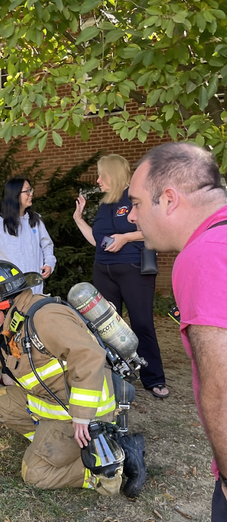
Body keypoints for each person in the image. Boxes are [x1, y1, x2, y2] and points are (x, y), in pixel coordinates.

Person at [129, 142, 227, 522]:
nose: (132, 216)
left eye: (137, 203)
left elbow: (220, 377)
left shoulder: (204, 256)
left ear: (171, 197)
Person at [0, 260, 147, 498]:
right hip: (55, 405)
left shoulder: (45, 318)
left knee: (34, 473)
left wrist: (82, 415)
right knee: (0, 402)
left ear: (5, 303)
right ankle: (51, 445)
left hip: (84, 414)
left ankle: (108, 463)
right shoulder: (14, 323)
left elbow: (89, 355)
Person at [73, 154, 168, 398]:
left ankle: (153, 378)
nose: (98, 180)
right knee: (105, 326)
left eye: (101, 175)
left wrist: (125, 238)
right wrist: (79, 219)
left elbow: (154, 229)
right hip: (103, 270)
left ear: (112, 174)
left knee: (141, 323)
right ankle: (113, 377)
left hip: (133, 269)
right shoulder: (106, 204)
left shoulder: (134, 198)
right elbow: (97, 240)